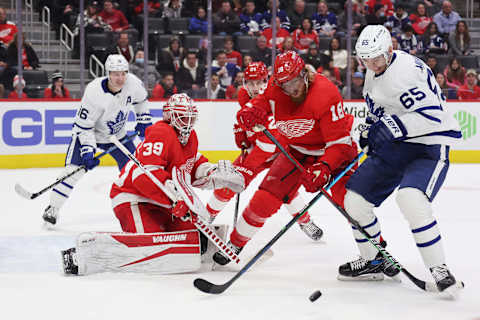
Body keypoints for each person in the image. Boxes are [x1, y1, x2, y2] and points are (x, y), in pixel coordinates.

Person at [60, 93, 245, 275]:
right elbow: (143, 177)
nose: (187, 124)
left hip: (165, 201)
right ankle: (86, 255)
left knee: (194, 240)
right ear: (169, 117)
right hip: (133, 198)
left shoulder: (191, 138)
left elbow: (190, 166)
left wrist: (214, 175)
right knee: (150, 248)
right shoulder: (161, 132)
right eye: (182, 118)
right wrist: (173, 201)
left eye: (190, 118)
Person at [338, 25, 462, 296]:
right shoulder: (373, 72)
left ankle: (439, 268)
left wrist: (392, 127)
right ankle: (374, 260)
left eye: (376, 59)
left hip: (429, 145)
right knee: (355, 200)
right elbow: (379, 112)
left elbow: (433, 117)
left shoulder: (407, 72)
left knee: (410, 198)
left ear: (390, 51)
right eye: (365, 60)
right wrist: (370, 130)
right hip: (398, 145)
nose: (371, 64)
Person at [213, 51, 358, 265]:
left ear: (303, 74)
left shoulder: (326, 92)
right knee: (264, 198)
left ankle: (374, 256)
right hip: (296, 151)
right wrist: (250, 111)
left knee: (353, 205)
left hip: (332, 154)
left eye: (293, 82)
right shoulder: (276, 86)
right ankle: (236, 243)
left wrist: (325, 167)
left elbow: (339, 142)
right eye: (284, 85)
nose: (290, 89)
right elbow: (262, 102)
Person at [206, 61, 324, 241]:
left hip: (280, 152)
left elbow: (267, 146)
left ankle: (305, 221)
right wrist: (242, 132)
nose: (254, 87)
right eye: (250, 83)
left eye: (259, 82)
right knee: (228, 184)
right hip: (257, 148)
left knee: (284, 191)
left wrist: (245, 169)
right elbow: (248, 122)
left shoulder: (276, 98)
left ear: (266, 81)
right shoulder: (244, 95)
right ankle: (206, 217)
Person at [42, 54, 153, 228]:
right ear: (108, 73)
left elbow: (142, 102)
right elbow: (84, 126)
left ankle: (143, 210)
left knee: (135, 171)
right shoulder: (94, 91)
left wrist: (143, 119)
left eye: (123, 73)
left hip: (117, 136)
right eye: (116, 74)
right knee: (73, 172)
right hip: (90, 133)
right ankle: (53, 208)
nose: (120, 78)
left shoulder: (133, 83)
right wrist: (87, 150)